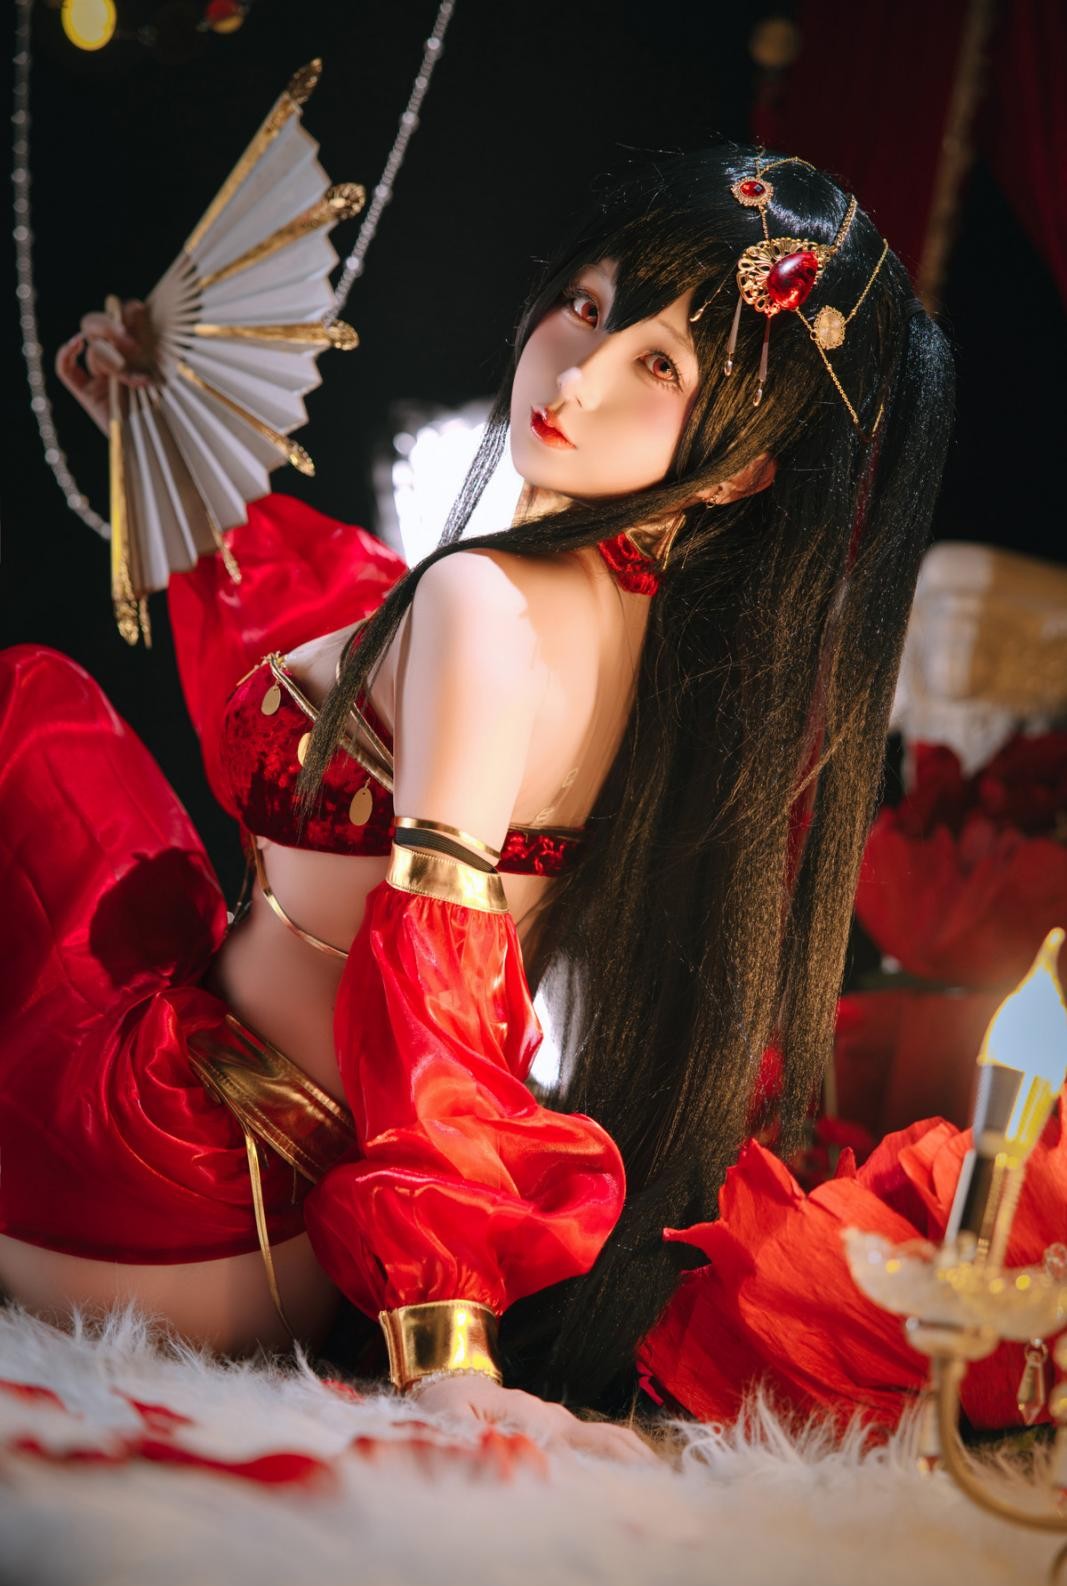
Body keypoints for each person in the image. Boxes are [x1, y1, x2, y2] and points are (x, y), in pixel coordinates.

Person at [0, 146, 963, 1446]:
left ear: (747, 467)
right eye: (588, 305)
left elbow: (441, 972)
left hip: (178, 1179)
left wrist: (445, 1343)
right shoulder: (649, 650)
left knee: (30, 706)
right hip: (292, 1229)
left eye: (661, 368)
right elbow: (331, 623)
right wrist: (163, 426)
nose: (578, 375)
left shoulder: (478, 603)